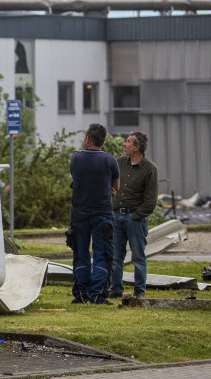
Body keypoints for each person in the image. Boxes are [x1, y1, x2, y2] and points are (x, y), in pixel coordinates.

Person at [69, 123, 120, 304]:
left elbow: (76, 178)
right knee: (102, 253)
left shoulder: (75, 159)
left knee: (81, 253)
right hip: (103, 214)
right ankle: (98, 294)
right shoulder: (110, 160)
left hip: (79, 215)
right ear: (102, 141)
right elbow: (116, 187)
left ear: (87, 139)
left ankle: (81, 294)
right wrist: (109, 189)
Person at [109, 131, 159, 299]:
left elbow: (150, 200)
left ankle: (139, 291)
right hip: (116, 216)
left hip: (135, 219)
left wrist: (135, 216)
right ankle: (115, 289)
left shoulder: (150, 169)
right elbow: (109, 183)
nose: (124, 144)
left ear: (137, 147)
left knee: (138, 256)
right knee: (116, 256)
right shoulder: (119, 163)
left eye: (128, 142)